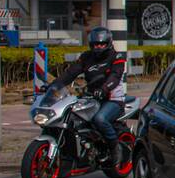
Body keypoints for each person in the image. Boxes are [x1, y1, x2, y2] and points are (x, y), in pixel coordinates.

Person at [54, 26, 127, 165]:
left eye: (102, 44)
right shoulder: (86, 57)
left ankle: (114, 147)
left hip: (113, 100)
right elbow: (70, 73)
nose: (98, 47)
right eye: (95, 44)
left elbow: (115, 76)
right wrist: (53, 86)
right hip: (91, 98)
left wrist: (104, 89)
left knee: (99, 119)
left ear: (108, 43)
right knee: (72, 116)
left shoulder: (116, 57)